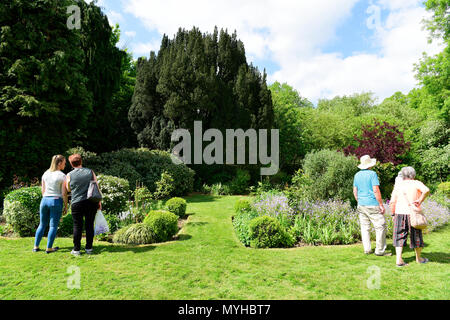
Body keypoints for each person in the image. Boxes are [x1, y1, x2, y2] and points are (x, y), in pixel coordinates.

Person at [389, 166, 430, 267]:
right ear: (413, 174)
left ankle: (399, 260)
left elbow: (392, 201)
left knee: (399, 235)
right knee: (416, 236)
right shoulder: (416, 183)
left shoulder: (398, 185)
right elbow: (426, 190)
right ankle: (419, 258)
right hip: (413, 213)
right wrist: (420, 200)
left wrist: (393, 213)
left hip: (399, 213)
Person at [353, 155, 391, 256]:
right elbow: (375, 190)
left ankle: (367, 249)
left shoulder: (357, 175)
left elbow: (355, 191)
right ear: (370, 165)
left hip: (361, 204)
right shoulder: (372, 174)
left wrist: (359, 200)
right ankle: (380, 251)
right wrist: (381, 204)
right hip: (372, 204)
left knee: (365, 227)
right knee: (380, 226)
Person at [66, 154, 101, 256]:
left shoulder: (69, 175)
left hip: (77, 202)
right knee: (89, 225)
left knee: (77, 226)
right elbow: (96, 187)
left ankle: (76, 249)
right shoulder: (90, 172)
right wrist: (99, 202)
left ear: (71, 163)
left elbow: (68, 189)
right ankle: (89, 248)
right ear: (81, 161)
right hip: (91, 201)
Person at [33, 155, 68, 253]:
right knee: (53, 226)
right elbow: (64, 193)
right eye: (64, 163)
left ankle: (36, 246)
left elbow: (43, 190)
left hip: (44, 200)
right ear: (60, 163)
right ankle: (49, 248)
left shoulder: (45, 174)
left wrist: (47, 198)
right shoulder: (62, 176)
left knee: (42, 224)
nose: (65, 165)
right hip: (56, 201)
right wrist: (66, 205)